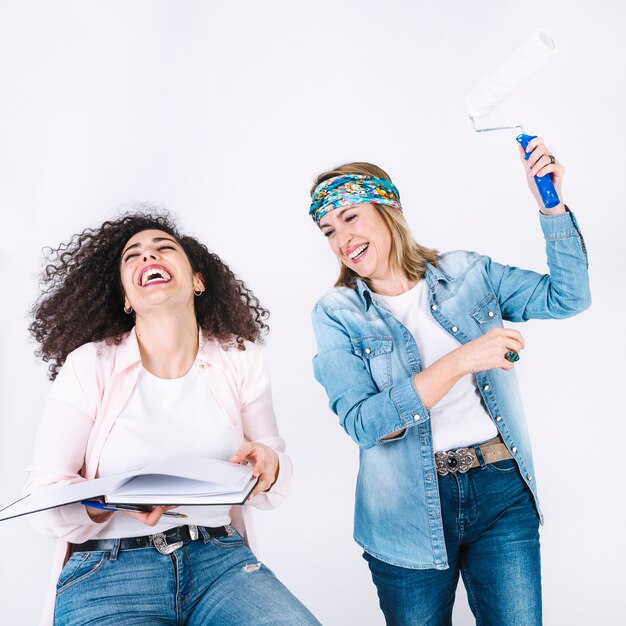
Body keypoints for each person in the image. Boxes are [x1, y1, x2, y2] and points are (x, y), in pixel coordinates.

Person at [309, 137, 591, 626]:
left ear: (387, 207)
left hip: (501, 490)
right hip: (404, 513)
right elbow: (364, 424)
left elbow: (569, 297)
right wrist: (461, 359)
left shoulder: (467, 273)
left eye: (350, 217)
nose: (341, 240)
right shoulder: (338, 314)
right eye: (327, 229)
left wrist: (551, 204)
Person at [25, 211, 320, 626]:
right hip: (111, 570)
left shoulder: (241, 358)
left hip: (220, 565)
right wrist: (110, 501)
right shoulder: (89, 365)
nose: (149, 257)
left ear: (197, 281)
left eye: (164, 248)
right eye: (134, 256)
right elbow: (44, 496)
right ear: (126, 297)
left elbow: (271, 475)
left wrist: (269, 465)